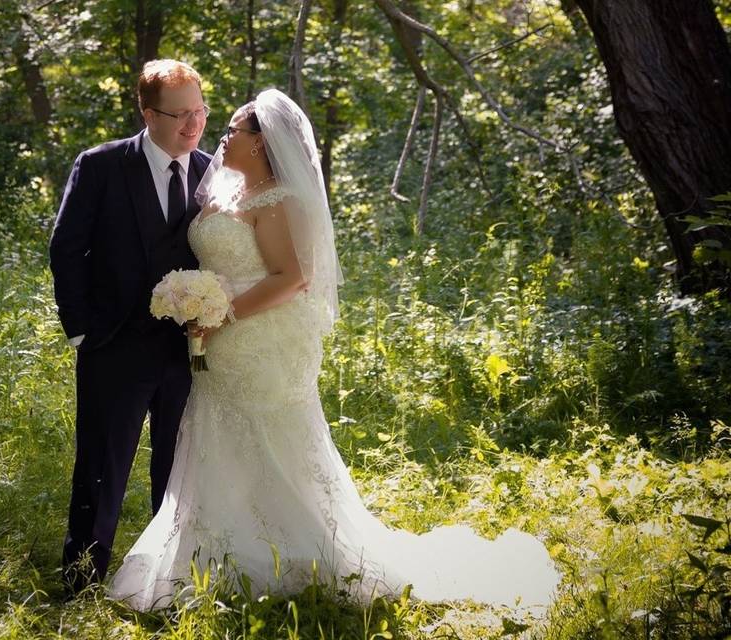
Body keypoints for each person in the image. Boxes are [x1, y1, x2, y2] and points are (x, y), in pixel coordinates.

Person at [107, 88, 561, 613]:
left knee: (272, 440)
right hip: (217, 343)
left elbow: (293, 278)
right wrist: (196, 302)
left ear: (261, 143)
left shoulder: (278, 200)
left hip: (257, 338)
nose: (224, 137)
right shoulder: (222, 193)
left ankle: (299, 551)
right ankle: (212, 553)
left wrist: (221, 312)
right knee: (217, 438)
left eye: (235, 130)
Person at [48, 59, 213, 597]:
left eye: (200, 111)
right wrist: (81, 331)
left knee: (178, 467)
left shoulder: (214, 172)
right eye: (180, 114)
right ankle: (82, 579)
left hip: (187, 350)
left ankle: (165, 579)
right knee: (102, 463)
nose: (194, 125)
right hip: (113, 344)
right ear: (148, 113)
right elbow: (67, 248)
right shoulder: (99, 166)